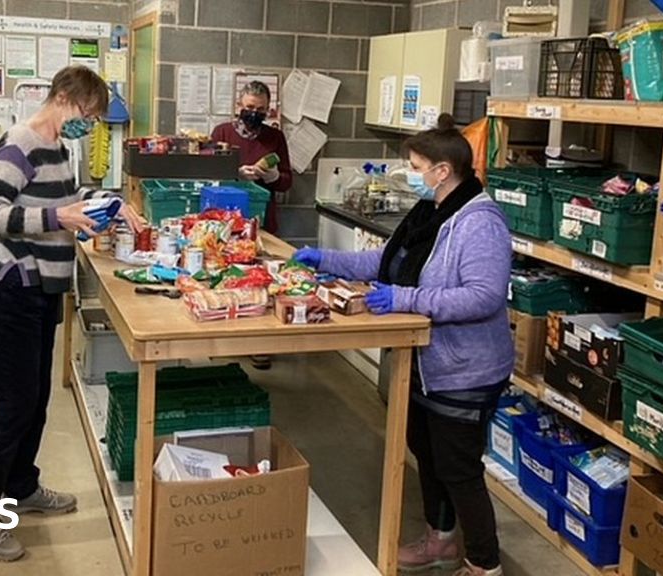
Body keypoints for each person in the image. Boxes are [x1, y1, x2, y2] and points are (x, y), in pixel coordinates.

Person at [294, 114, 513, 576]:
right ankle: (441, 542)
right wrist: (326, 259)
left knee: (459, 468)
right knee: (428, 455)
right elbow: (384, 259)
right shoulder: (429, 210)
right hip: (423, 363)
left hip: (465, 370)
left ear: (443, 170)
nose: (410, 174)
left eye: (416, 166)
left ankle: (484, 563)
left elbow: (484, 295)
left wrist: (405, 297)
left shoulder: (479, 222)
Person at [0, 65, 143, 562]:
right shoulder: (20, 142)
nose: (90, 124)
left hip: (43, 287)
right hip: (11, 286)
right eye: (87, 114)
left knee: (36, 396)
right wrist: (56, 218)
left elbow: (68, 200)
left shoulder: (61, 149)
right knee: (13, 404)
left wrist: (108, 202)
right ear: (64, 97)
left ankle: (20, 485)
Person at [212, 81, 292, 370]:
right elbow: (208, 172)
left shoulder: (275, 137)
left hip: (262, 220)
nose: (253, 113)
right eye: (248, 108)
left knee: (260, 284)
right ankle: (222, 342)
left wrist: (271, 177)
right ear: (238, 106)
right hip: (225, 219)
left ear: (268, 109)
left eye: (259, 109)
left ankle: (260, 346)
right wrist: (234, 174)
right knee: (224, 278)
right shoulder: (222, 132)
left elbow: (287, 180)